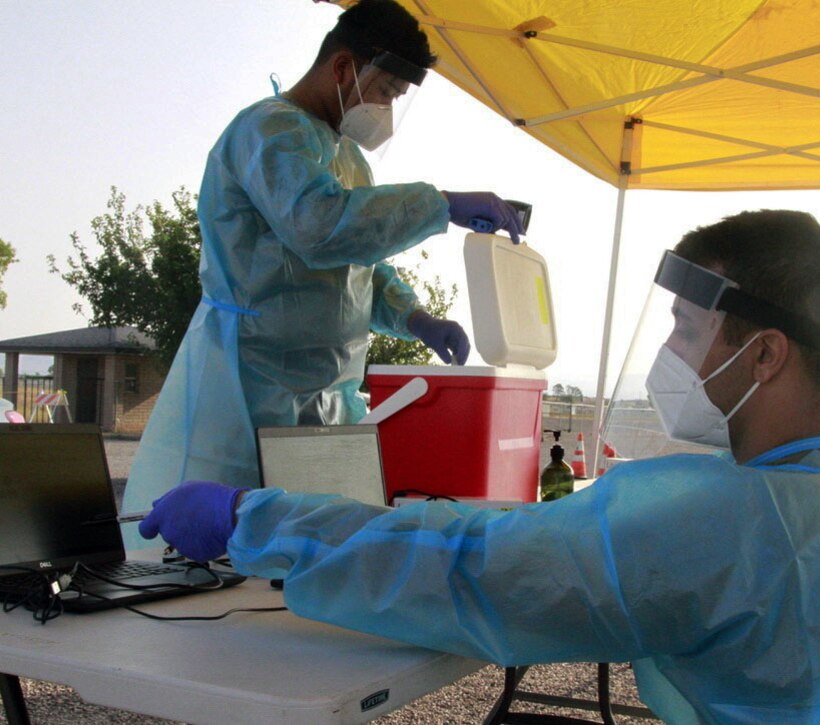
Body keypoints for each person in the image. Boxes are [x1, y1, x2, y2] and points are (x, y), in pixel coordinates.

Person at [138, 211, 820, 724]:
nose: (671, 353)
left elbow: (477, 568)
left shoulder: (750, 525)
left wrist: (256, 518)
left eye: (688, 331)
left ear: (764, 354)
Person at [121, 0, 525, 538]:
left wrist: (414, 319)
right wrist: (440, 204)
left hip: (328, 394)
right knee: (226, 540)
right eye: (385, 92)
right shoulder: (268, 132)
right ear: (342, 68)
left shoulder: (348, 158)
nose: (384, 110)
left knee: (316, 543)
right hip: (248, 382)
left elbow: (357, 261)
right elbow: (320, 226)